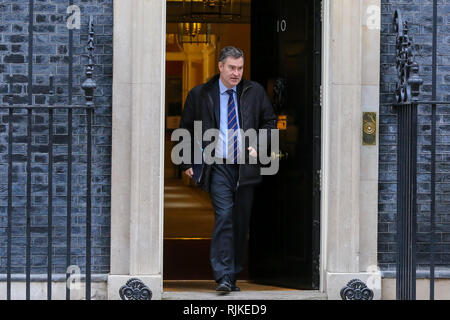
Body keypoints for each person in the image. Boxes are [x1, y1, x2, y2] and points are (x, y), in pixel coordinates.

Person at [178, 46, 277, 292]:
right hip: (218, 166)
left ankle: (232, 275)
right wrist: (188, 161)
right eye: (231, 68)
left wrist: (257, 145)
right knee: (224, 217)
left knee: (240, 222)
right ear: (220, 67)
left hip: (245, 167)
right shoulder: (201, 94)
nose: (236, 73)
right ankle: (222, 275)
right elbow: (186, 128)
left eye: (240, 68)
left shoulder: (255, 92)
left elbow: (269, 121)